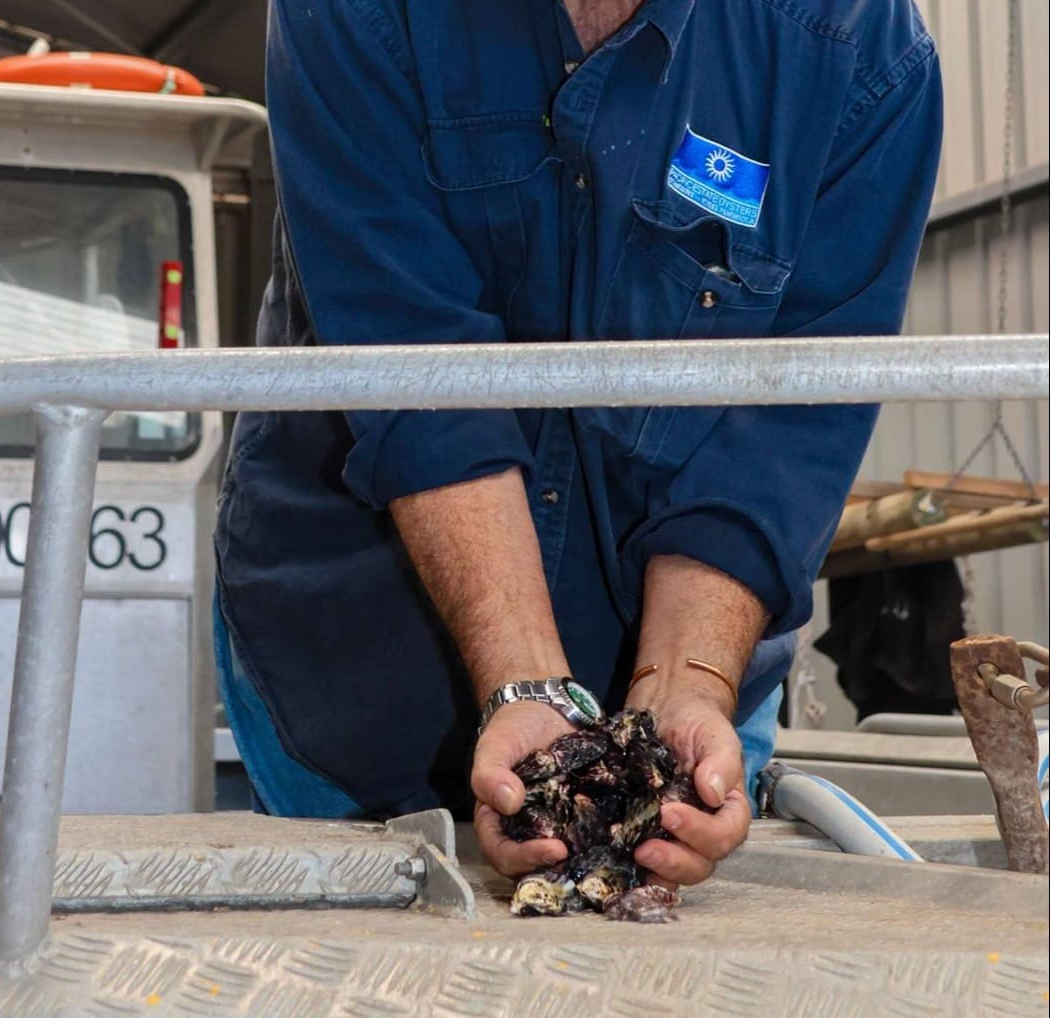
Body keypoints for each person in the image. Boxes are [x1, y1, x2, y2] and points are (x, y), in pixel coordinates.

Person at [213, 0, 942, 888]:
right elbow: (418, 372)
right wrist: (527, 690)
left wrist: (686, 686)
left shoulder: (857, 48)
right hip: (355, 648)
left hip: (684, 667)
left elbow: (779, 436)